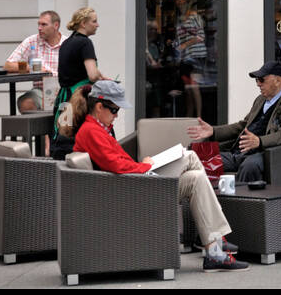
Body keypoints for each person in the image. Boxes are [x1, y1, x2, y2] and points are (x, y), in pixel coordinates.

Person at [68, 80, 247, 272]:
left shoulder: (98, 129)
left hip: (131, 184)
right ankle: (216, 237)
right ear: (99, 106)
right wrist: (145, 165)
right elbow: (116, 165)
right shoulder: (91, 131)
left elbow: (115, 163)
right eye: (114, 110)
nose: (117, 115)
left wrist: (143, 164)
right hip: (132, 190)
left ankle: (214, 250)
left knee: (195, 178)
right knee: (191, 155)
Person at [187, 61, 281, 183]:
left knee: (249, 166)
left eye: (261, 80)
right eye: (257, 80)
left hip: (263, 153)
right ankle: (208, 198)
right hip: (237, 152)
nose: (258, 84)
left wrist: (259, 141)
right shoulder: (260, 99)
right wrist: (213, 131)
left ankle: (242, 201)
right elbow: (242, 126)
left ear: (277, 81)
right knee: (195, 154)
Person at [52, 7, 107, 158]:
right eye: (94, 21)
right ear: (83, 23)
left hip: (65, 99)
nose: (97, 25)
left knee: (65, 136)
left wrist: (99, 74)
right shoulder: (85, 43)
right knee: (82, 140)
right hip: (79, 100)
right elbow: (92, 74)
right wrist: (101, 78)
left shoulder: (66, 43)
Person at [4, 10, 65, 113]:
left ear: (56, 25)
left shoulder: (68, 43)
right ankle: (36, 129)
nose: (39, 28)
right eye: (39, 24)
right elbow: (8, 65)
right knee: (26, 102)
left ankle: (64, 128)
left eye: (44, 24)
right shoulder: (32, 41)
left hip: (63, 89)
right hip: (40, 91)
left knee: (74, 103)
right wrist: (31, 68)